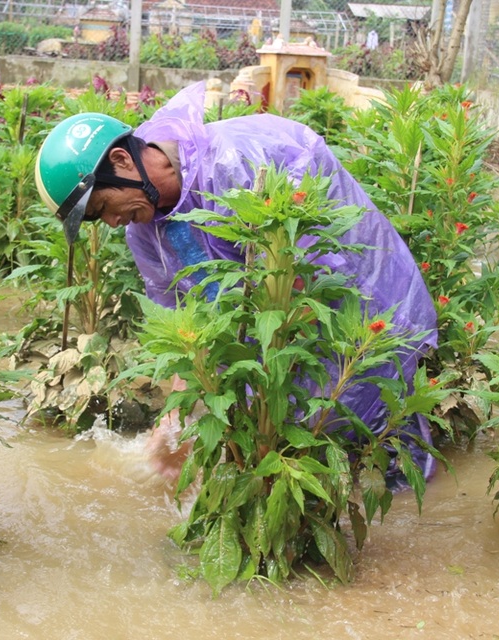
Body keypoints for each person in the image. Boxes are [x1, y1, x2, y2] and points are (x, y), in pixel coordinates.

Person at [34, 81, 438, 487]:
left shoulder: (236, 162)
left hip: (363, 311)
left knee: (388, 448)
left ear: (122, 160)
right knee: (295, 459)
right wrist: (175, 419)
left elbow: (304, 274)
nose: (111, 222)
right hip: (271, 344)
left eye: (103, 206)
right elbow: (182, 324)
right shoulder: (145, 231)